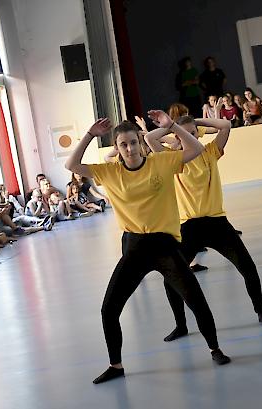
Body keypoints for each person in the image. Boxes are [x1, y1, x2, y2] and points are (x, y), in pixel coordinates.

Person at [65, 118, 230, 384]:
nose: (129, 149)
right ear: (117, 148)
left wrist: (173, 125)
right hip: (135, 248)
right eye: (123, 145)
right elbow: (71, 165)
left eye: (132, 143)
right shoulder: (110, 172)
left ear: (140, 144)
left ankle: (215, 349)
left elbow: (196, 149)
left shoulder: (161, 162)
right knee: (109, 309)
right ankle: (116, 365)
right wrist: (88, 134)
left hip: (165, 246)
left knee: (196, 300)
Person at [144, 111, 262, 341]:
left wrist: (194, 122)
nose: (188, 137)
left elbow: (225, 125)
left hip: (217, 223)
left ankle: (261, 311)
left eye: (193, 134)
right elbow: (149, 139)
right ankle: (181, 325)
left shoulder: (209, 153)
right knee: (170, 279)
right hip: (189, 227)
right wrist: (172, 127)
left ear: (198, 134)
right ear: (176, 137)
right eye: (183, 135)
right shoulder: (170, 159)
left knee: (247, 267)